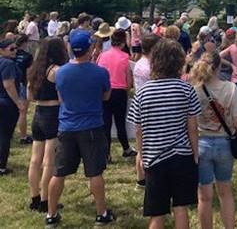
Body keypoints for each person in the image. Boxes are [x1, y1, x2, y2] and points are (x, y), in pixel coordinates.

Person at [127, 39, 201, 229]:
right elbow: (193, 127)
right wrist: (195, 152)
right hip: (182, 156)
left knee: (157, 213)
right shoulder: (187, 90)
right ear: (179, 62)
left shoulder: (143, 93)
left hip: (154, 158)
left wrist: (141, 155)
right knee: (181, 208)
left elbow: (138, 128)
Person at [46, 29, 114, 226]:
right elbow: (106, 96)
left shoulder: (61, 72)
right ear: (90, 48)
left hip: (67, 126)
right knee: (95, 172)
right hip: (92, 126)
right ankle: (101, 213)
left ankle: (51, 214)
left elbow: (61, 98)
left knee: (59, 172)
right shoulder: (100, 72)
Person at [189, 52, 237, 229]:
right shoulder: (230, 88)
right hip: (225, 143)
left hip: (201, 143)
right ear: (218, 68)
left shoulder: (194, 89)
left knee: (204, 196)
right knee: (225, 192)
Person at [27, 37, 68, 212]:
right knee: (49, 161)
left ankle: (34, 197)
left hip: (38, 113)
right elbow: (62, 98)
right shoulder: (57, 71)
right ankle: (46, 200)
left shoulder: (34, 69)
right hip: (53, 114)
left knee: (35, 160)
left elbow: (30, 96)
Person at [97, 28, 136, 161]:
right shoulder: (125, 57)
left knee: (106, 123)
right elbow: (129, 81)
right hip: (119, 92)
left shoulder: (102, 55)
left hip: (104, 91)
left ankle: (106, 153)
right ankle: (126, 148)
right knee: (120, 122)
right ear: (123, 42)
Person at [132, 33, 161, 188]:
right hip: (149, 106)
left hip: (143, 103)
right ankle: (144, 177)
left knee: (141, 144)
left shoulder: (140, 63)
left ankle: (141, 179)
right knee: (144, 145)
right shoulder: (148, 67)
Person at [0, 37, 24, 175]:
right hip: (6, 103)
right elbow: (8, 84)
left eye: (16, 48)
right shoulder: (8, 63)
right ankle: (2, 166)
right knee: (5, 135)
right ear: (2, 50)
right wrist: (18, 102)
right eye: (11, 49)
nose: (15, 51)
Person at [14, 34, 34, 144]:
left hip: (9, 83)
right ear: (25, 43)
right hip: (21, 83)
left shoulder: (10, 53)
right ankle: (23, 136)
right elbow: (29, 74)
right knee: (22, 111)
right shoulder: (28, 56)